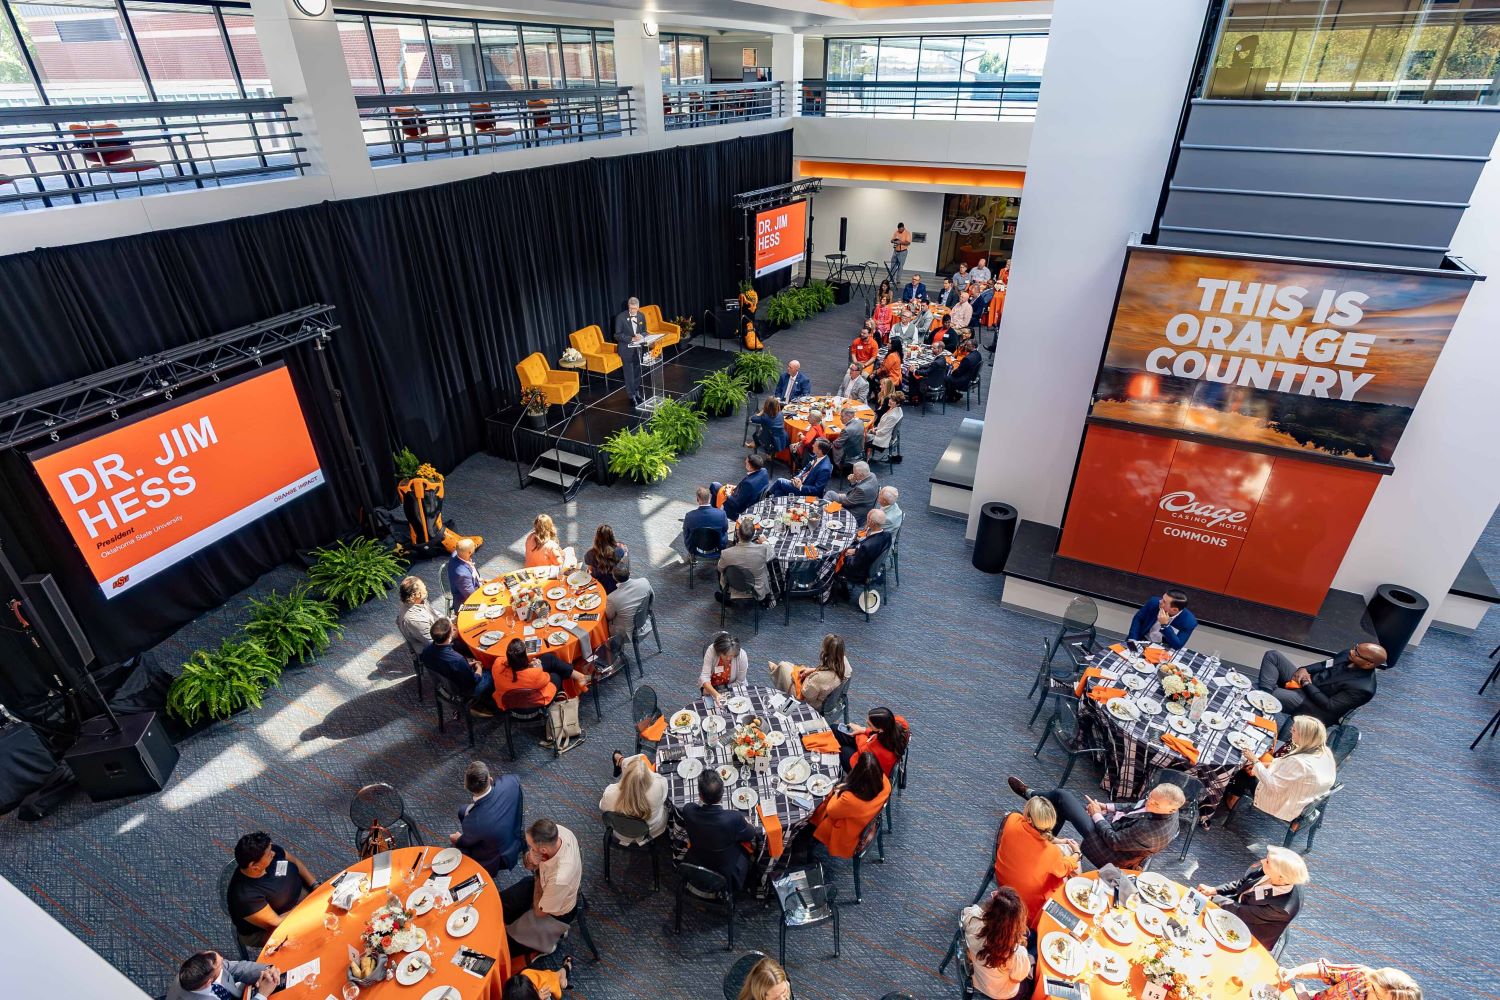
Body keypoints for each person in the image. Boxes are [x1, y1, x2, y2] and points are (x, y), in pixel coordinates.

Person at [1006, 776, 1184, 870]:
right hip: (1113, 827)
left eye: (1155, 803)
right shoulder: (1156, 802)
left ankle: (1032, 796)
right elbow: (1135, 806)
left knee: (1062, 797)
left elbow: (1114, 841)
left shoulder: (1152, 832)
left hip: (1109, 851)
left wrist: (1096, 815)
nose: (1149, 802)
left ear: (1171, 810)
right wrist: (1106, 806)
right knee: (1060, 804)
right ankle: (1043, 839)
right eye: (1150, 797)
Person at [1196, 844, 1308, 950]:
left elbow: (1241, 912)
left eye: (1268, 862)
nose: (1263, 861)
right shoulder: (1269, 872)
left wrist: (1212, 899)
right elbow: (1242, 883)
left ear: (1281, 878)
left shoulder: (1282, 909)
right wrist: (1214, 890)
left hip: (1250, 933)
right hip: (1235, 907)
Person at [1225, 714, 1336, 821]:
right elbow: (1286, 764)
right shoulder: (1324, 751)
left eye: (1293, 731)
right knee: (1255, 767)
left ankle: (1232, 801)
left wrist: (1255, 761)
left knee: (1245, 771)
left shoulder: (1298, 762)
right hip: (1302, 796)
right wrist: (1265, 764)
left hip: (1284, 802)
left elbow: (1273, 785)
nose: (1291, 732)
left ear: (1303, 736)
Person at [993, 797, 1080, 928]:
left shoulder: (1012, 819)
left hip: (1003, 879)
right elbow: (1064, 867)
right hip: (1028, 906)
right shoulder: (1051, 853)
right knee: (1075, 872)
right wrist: (1077, 854)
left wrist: (1058, 841)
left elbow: (1034, 834)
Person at [501, 818, 582, 957]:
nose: (529, 850)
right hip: (544, 885)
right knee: (500, 902)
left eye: (531, 847)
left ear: (543, 849)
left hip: (556, 912)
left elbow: (540, 912)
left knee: (506, 945)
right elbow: (529, 864)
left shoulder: (560, 878)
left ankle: (547, 944)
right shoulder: (558, 832)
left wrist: (537, 875)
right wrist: (532, 860)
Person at [1257, 642, 1385, 728]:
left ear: (1369, 664)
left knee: (1258, 692)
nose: (1352, 652)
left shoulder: (1364, 688)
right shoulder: (1348, 654)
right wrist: (1305, 669)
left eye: (1357, 653)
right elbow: (1325, 664)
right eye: (1355, 648)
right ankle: (1264, 695)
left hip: (1312, 704)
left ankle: (1263, 698)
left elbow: (1329, 705)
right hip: (1306, 682)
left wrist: (1306, 683)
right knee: (1273, 655)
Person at [226, 831, 315, 949]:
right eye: (268, 854)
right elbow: (276, 922)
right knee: (311, 938)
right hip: (272, 925)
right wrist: (309, 907)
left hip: (300, 897)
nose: (273, 853)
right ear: (254, 866)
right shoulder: (244, 897)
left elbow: (295, 861)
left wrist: (314, 885)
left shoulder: (269, 852)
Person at [680, 770, 757, 891]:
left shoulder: (688, 810)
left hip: (696, 858)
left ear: (700, 796)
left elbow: (692, 806)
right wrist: (747, 823)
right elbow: (750, 834)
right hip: (725, 867)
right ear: (723, 793)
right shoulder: (733, 817)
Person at [808, 750, 891, 857]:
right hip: (865, 822)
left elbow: (831, 811)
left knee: (812, 814)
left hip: (848, 835)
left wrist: (838, 792)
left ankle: (807, 850)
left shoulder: (850, 799)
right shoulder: (885, 784)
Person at [450, 759, 525, 876]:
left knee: (461, 847)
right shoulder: (511, 782)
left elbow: (466, 841)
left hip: (500, 856)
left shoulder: (473, 822)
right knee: (463, 811)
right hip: (515, 835)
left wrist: (458, 839)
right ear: (490, 779)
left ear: (466, 786)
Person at [962, 887, 1035, 1000]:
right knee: (1031, 986)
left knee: (1032, 937)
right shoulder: (1016, 953)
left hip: (977, 974)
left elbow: (966, 913)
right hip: (1000, 992)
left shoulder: (973, 919)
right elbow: (1017, 978)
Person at [421, 617, 496, 716]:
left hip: (443, 686)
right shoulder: (457, 660)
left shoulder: (426, 651)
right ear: (449, 635)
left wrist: (465, 665)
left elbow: (445, 666)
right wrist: (479, 667)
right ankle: (487, 703)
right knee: (492, 670)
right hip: (465, 691)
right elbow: (474, 681)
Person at [492, 637, 588, 710]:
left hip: (509, 702)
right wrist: (538, 668)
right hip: (535, 702)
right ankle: (561, 702)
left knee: (548, 658)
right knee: (555, 675)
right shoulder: (535, 675)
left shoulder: (497, 665)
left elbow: (503, 660)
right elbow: (546, 678)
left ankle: (579, 677)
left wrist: (530, 667)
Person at [769, 633, 852, 712]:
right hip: (829, 699)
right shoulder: (844, 662)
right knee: (790, 667)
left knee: (783, 667)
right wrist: (812, 670)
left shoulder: (819, 677)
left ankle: (776, 670)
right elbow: (829, 670)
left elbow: (806, 694)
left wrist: (808, 677)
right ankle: (777, 670)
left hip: (810, 704)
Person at [600, 751, 668, 843]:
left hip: (621, 832)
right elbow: (663, 799)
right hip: (651, 830)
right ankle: (620, 760)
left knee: (640, 757)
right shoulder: (658, 785)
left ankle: (620, 760)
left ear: (625, 776)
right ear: (648, 776)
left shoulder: (610, 793)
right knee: (642, 757)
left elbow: (602, 807)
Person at [167, 951, 279, 1000]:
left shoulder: (199, 970)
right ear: (208, 982)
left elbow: (237, 967)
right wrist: (261, 995)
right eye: (221, 964)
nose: (224, 962)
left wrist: (267, 970)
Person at [1278, 962, 1421, 1000]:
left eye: (1376, 994)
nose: (1368, 988)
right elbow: (1324, 970)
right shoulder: (1363, 976)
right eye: (1372, 985)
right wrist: (1295, 972)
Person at [718, 516, 774, 606]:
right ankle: (766, 598)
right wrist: (765, 542)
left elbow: (720, 569)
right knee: (765, 569)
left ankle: (724, 595)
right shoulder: (762, 550)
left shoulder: (726, 553)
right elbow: (772, 554)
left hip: (734, 587)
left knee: (723, 571)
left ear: (737, 533)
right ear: (754, 534)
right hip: (756, 590)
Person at [835, 508, 892, 593]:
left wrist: (846, 554)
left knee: (834, 557)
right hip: (869, 561)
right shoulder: (887, 535)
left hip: (860, 573)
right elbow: (868, 550)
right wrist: (857, 550)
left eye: (868, 518)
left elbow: (853, 565)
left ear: (871, 522)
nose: (867, 520)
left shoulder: (866, 547)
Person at [1128, 589, 1197, 650]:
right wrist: (1132, 640)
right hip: (1141, 639)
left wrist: (1165, 625)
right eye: (1162, 598)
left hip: (1163, 649)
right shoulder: (1153, 603)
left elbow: (1177, 645)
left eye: (1164, 601)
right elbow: (1138, 619)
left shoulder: (1189, 622)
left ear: (1174, 610)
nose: (1160, 601)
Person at [767, 438, 834, 498]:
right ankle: (778, 506)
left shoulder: (825, 469)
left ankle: (766, 495)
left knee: (780, 481)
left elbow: (817, 490)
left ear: (820, 451)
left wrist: (801, 486)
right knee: (779, 491)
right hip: (801, 482)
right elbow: (806, 468)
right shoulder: (818, 455)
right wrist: (798, 477)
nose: (812, 445)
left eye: (815, 445)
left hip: (807, 493)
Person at [606, 563, 654, 646]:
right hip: (646, 619)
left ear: (614, 578)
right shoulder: (644, 581)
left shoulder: (612, 598)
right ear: (630, 572)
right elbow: (652, 598)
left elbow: (608, 616)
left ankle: (614, 650)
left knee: (603, 624)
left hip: (627, 633)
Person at [613, 295, 649, 405]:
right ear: (628, 306)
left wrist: (641, 336)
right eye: (631, 308)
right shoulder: (620, 317)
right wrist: (631, 338)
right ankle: (631, 395)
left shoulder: (641, 316)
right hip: (626, 349)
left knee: (638, 371)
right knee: (629, 373)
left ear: (638, 307)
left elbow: (645, 331)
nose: (633, 311)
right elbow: (617, 335)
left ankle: (637, 392)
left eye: (635, 309)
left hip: (638, 349)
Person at [717, 453, 770, 521]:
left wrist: (728, 494)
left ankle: (714, 513)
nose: (745, 461)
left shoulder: (748, 484)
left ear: (750, 466)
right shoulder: (764, 471)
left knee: (715, 486)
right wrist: (736, 487)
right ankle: (714, 512)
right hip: (752, 500)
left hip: (739, 509)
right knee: (717, 486)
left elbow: (737, 504)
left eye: (747, 462)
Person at [700, 631, 748, 703]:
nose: (728, 658)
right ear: (719, 652)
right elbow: (704, 677)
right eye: (725, 655)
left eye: (732, 655)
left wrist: (722, 690)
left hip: (734, 687)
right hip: (712, 687)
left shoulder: (742, 655)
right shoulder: (711, 650)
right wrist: (714, 692)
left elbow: (739, 682)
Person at [683, 485, 730, 557]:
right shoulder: (721, 514)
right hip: (717, 547)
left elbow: (686, 534)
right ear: (710, 498)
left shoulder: (689, 516)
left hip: (696, 549)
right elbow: (725, 529)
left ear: (697, 500)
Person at [583, 523, 629, 594]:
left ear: (596, 537)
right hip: (615, 585)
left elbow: (590, 569)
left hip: (597, 585)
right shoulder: (619, 550)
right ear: (612, 537)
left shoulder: (590, 554)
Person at [397, 575, 437, 655]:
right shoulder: (415, 619)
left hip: (436, 630)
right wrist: (452, 634)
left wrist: (448, 621)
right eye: (423, 587)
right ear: (416, 595)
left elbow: (433, 613)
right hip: (432, 651)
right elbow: (434, 643)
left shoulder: (416, 601)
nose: (425, 586)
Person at [501, 966, 572, 1000]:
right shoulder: (525, 976)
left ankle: (566, 967)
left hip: (550, 981)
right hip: (547, 979)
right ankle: (566, 967)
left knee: (562, 983)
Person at [869, 393, 904, 460]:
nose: (890, 401)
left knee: (862, 437)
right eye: (890, 399)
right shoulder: (897, 410)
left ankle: (862, 459)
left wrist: (874, 431)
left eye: (893, 401)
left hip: (883, 438)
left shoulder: (892, 416)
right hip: (886, 434)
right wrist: (875, 429)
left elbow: (884, 431)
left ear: (898, 404)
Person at [831, 406, 866, 471]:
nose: (840, 418)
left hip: (848, 455)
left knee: (829, 446)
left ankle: (835, 469)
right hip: (860, 450)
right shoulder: (860, 422)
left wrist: (832, 441)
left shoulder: (846, 430)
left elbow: (837, 444)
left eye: (842, 416)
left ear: (849, 416)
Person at [447, 537, 480, 606]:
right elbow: (472, 597)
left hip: (474, 584)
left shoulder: (457, 553)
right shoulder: (462, 575)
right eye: (474, 546)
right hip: (467, 602)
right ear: (470, 552)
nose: (475, 546)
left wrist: (480, 580)